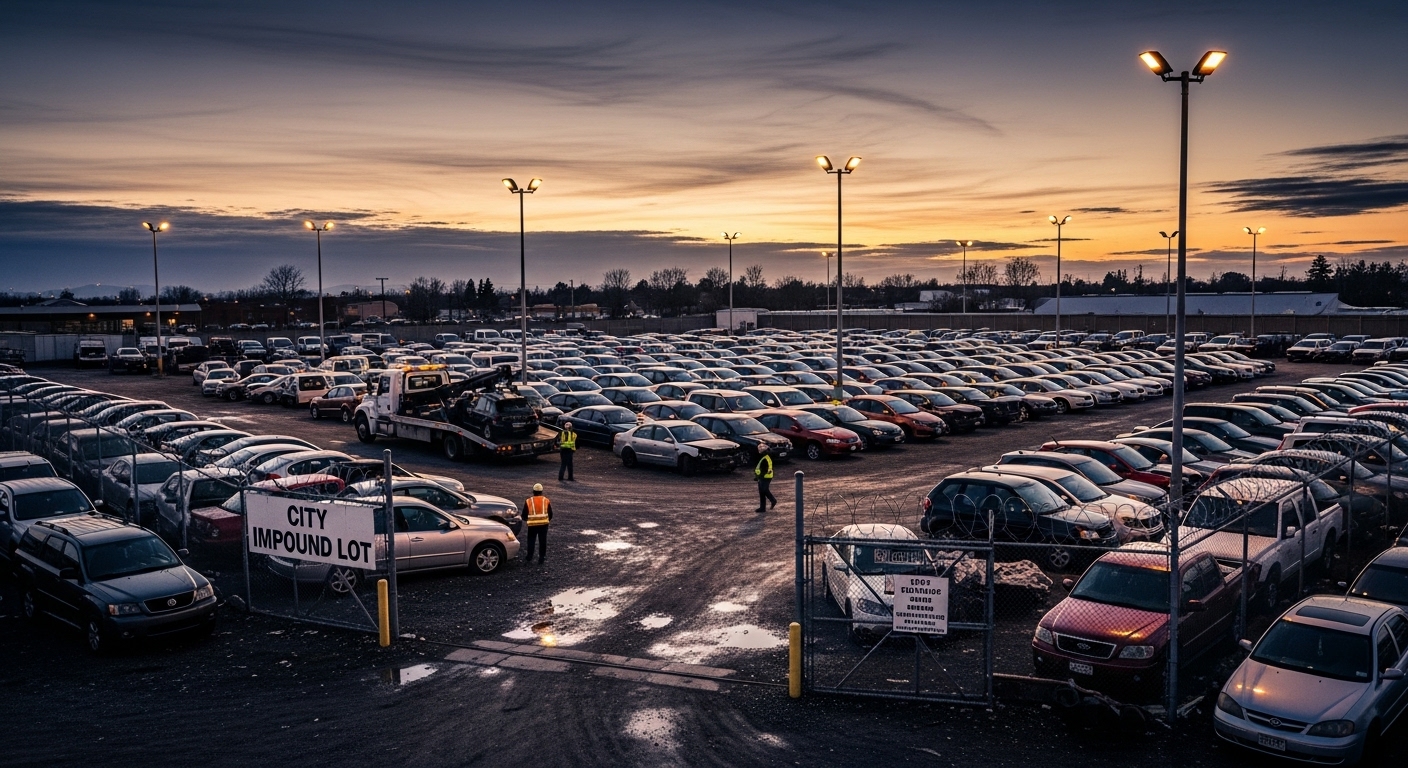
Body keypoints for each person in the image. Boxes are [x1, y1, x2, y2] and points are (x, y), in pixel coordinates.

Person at [523, 482, 552, 564]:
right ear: (541, 491)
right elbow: (550, 514)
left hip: (532, 525)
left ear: (533, 491)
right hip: (543, 525)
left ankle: (529, 556)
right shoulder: (546, 500)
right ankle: (541, 558)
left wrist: (527, 519)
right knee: (542, 541)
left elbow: (524, 515)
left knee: (531, 540)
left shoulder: (528, 501)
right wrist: (546, 520)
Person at [754, 444, 776, 513]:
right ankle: (762, 508)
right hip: (763, 477)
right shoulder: (764, 456)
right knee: (762, 492)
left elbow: (766, 469)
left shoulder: (766, 457)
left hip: (766, 477)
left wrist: (759, 476)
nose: (759, 450)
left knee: (764, 490)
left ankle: (773, 500)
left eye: (761, 449)